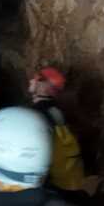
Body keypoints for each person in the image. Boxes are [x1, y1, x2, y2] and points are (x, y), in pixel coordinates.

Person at [28, 67, 86, 195]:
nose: (31, 80)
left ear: (43, 85)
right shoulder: (53, 111)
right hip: (71, 180)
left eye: (36, 78)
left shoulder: (41, 114)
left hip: (61, 185)